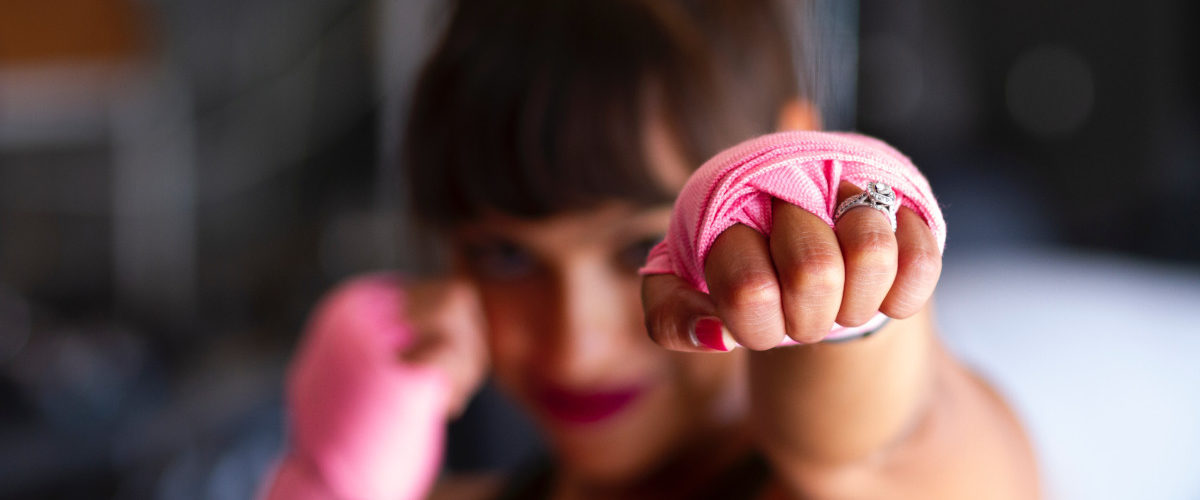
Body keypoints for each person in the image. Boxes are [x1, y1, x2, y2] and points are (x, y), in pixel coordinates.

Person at [263, 0, 1040, 498]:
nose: (578, 344)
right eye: (506, 256)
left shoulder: (896, 479)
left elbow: (878, 444)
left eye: (642, 243)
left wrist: (839, 281)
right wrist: (334, 478)